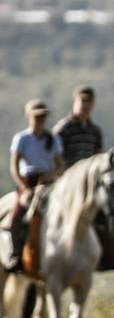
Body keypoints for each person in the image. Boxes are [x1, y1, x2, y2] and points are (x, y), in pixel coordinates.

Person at [6, 99, 64, 273]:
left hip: (48, 183)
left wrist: (50, 175)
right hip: (28, 181)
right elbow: (14, 166)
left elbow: (59, 165)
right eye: (37, 116)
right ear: (28, 116)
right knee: (16, 216)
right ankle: (15, 254)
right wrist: (23, 185)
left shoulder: (52, 139)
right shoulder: (22, 138)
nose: (40, 120)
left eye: (43, 116)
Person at [54, 85, 103, 168]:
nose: (86, 105)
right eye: (83, 101)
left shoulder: (95, 131)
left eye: (89, 101)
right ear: (74, 102)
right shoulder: (63, 128)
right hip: (67, 178)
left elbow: (98, 157)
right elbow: (54, 156)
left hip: (87, 179)